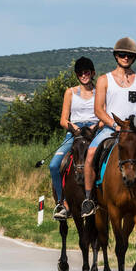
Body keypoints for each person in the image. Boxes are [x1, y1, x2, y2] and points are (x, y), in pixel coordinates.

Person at [79, 37, 136, 217]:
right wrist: (113, 125)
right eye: (122, 54)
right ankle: (89, 198)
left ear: (134, 57)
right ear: (116, 56)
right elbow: (98, 109)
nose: (125, 57)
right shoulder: (104, 80)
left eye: (129, 55)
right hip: (112, 128)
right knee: (90, 154)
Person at [49, 57, 99, 219]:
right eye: (80, 73)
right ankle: (62, 203)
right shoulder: (70, 92)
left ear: (92, 73)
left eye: (86, 72)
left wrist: (95, 127)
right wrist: (74, 128)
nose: (83, 75)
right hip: (75, 132)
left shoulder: (100, 93)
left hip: (94, 131)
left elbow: (104, 116)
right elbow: (63, 119)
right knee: (54, 165)